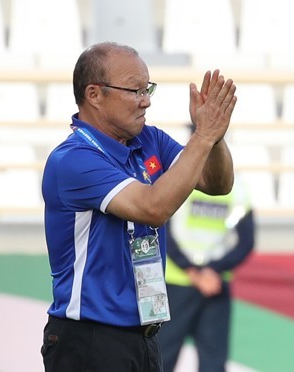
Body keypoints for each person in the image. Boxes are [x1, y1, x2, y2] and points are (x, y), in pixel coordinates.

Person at [40, 41, 237, 372]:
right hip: (89, 340)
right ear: (94, 94)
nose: (146, 100)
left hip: (144, 336)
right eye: (134, 90)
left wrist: (214, 138)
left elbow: (216, 183)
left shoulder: (150, 139)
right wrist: (202, 137)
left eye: (148, 89)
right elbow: (153, 208)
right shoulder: (73, 159)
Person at [157, 170, 255, 372]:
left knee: (162, 357)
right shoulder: (236, 187)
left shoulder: (177, 181)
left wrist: (193, 271)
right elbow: (245, 242)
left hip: (179, 281)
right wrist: (211, 271)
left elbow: (161, 230)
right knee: (213, 360)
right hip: (213, 282)